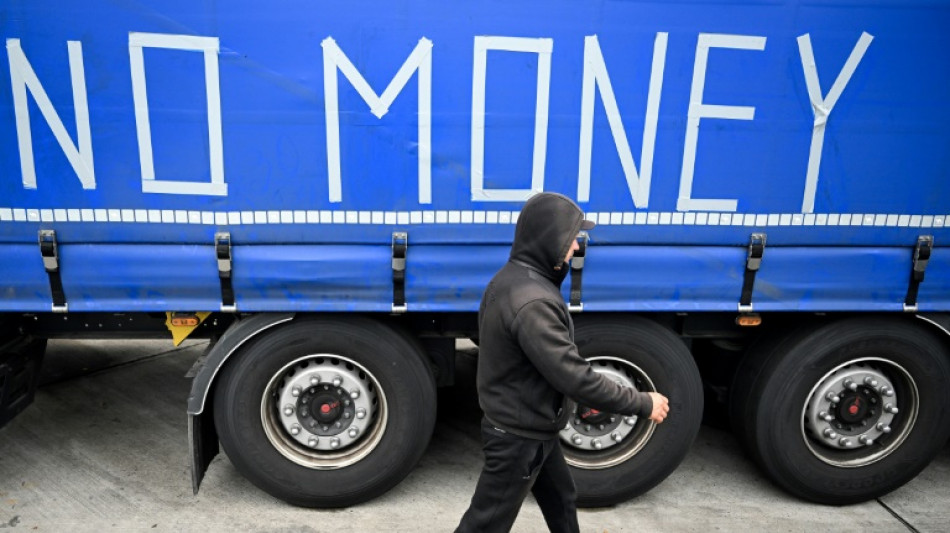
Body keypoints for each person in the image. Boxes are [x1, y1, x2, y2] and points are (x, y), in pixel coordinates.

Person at [456, 192, 670, 533]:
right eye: (572, 239)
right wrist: (642, 402)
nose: (576, 248)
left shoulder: (513, 279)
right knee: (485, 524)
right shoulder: (532, 302)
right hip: (518, 437)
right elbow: (575, 377)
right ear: (550, 239)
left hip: (536, 427)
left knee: (561, 502)